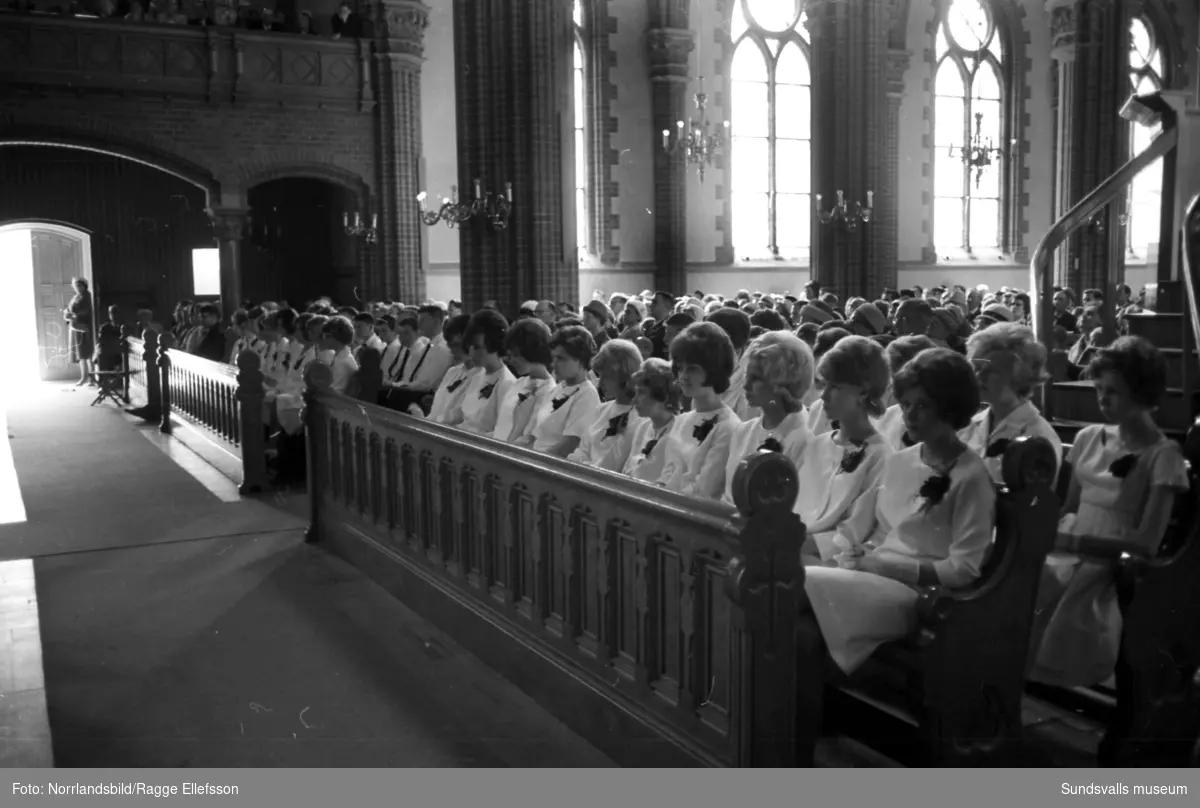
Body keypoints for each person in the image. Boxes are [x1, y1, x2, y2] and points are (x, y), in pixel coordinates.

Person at [803, 348, 996, 674]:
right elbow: (858, 525)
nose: (909, 416)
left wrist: (892, 567)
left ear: (950, 408)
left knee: (794, 589)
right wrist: (841, 549)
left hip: (916, 595)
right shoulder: (901, 460)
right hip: (869, 575)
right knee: (784, 598)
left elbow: (965, 568)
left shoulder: (971, 477)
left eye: (923, 406)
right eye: (906, 404)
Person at [1028, 337, 1189, 688]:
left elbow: (1145, 544)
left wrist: (1073, 544)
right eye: (1099, 388)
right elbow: (1068, 506)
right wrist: (1050, 536)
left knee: (1071, 596)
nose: (1103, 399)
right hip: (1068, 546)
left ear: (1142, 392)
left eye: (1113, 391)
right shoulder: (1089, 436)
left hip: (1114, 560)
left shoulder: (1163, 455)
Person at [797, 336, 894, 561]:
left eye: (836, 387)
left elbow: (852, 533)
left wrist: (792, 543)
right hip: (795, 546)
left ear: (863, 391)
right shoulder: (816, 444)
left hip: (833, 561)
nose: (824, 395)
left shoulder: (880, 456)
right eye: (824, 384)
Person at [960, 322, 1062, 484]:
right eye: (977, 368)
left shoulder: (1039, 435)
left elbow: (1035, 503)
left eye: (992, 370)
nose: (980, 377)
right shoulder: (969, 425)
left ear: (1020, 376)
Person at [722, 331, 814, 505]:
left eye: (756, 378)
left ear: (785, 382)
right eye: (747, 376)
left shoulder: (805, 437)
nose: (746, 385)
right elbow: (728, 496)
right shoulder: (744, 430)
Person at [658, 322, 741, 499]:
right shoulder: (681, 420)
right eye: (680, 368)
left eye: (693, 369)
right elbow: (668, 473)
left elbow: (706, 490)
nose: (684, 376)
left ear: (714, 369)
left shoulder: (728, 427)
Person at [622, 358, 678, 483]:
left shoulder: (678, 431)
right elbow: (628, 471)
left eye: (641, 393)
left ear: (663, 395)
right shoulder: (642, 427)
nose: (634, 400)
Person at [63, 278, 94, 387]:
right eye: (76, 286)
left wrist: (75, 316)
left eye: (80, 286)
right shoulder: (75, 297)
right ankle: (84, 377)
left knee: (88, 352)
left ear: (84, 286)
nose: (77, 288)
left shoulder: (87, 296)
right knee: (81, 354)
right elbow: (69, 308)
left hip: (84, 326)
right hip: (75, 327)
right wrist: (67, 313)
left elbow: (87, 311)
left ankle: (92, 377)